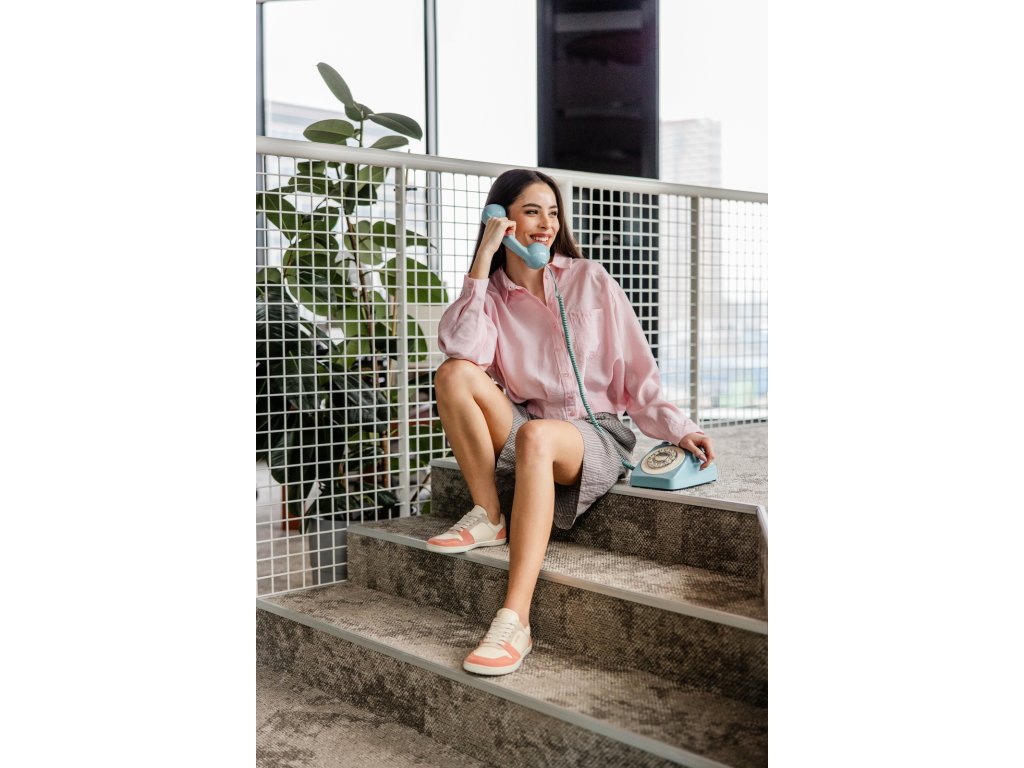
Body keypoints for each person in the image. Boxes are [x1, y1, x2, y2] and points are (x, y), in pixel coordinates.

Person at [428, 169, 716, 676]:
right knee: (453, 374)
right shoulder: (490, 296)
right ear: (500, 220)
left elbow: (637, 371)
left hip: (595, 432)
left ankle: (515, 619)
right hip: (530, 426)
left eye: (553, 213)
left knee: (538, 436)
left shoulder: (589, 279)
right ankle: (489, 514)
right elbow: (462, 348)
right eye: (531, 212)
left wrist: (678, 428)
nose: (546, 224)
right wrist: (481, 264)